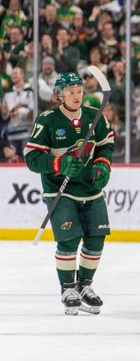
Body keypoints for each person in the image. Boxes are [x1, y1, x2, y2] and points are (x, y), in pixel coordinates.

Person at [23, 71, 115, 315]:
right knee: (69, 239)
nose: (76, 95)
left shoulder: (95, 117)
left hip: (91, 189)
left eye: (79, 90)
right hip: (60, 191)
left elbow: (107, 144)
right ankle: (68, 288)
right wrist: (58, 164)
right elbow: (31, 158)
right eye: (70, 91)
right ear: (59, 95)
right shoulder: (48, 120)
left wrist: (103, 164)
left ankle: (85, 287)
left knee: (96, 239)